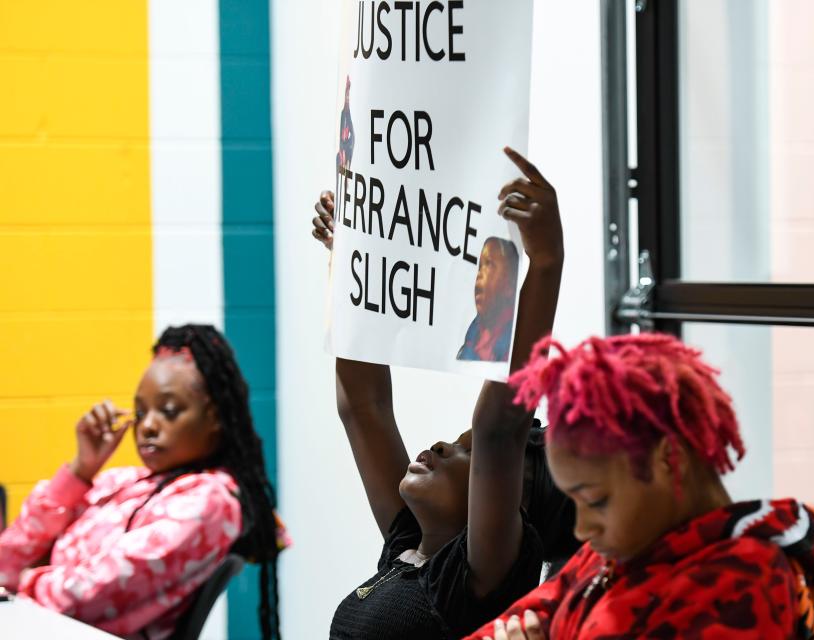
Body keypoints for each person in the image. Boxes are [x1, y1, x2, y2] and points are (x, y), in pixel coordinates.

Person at [311, 147, 579, 639]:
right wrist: (350, 261)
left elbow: (500, 429)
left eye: (465, 454)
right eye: (459, 444)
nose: (441, 445)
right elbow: (363, 407)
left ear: (510, 501)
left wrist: (547, 262)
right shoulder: (408, 548)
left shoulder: (476, 581)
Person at [466, 333, 814, 640]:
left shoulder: (744, 583)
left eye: (596, 501)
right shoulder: (614, 554)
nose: (582, 528)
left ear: (670, 459)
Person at [0, 325, 287, 640]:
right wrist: (80, 470)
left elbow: (86, 598)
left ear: (216, 418)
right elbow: (5, 560)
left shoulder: (209, 501)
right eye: (140, 411)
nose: (148, 425)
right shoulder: (119, 481)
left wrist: (21, 581)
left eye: (168, 410)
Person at [457, 236, 520, 362]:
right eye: (480, 266)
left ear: (510, 286)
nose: (480, 274)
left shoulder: (513, 338)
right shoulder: (473, 335)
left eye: (489, 264)